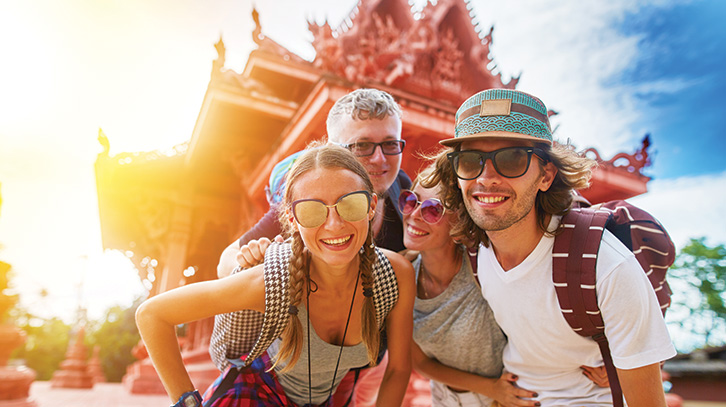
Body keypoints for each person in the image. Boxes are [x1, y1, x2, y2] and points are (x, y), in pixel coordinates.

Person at [427, 88, 676, 406]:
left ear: (546, 175)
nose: (486, 178)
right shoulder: (473, 248)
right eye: (469, 161)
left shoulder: (607, 266)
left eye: (512, 159)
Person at [136, 144, 415, 407]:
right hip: (254, 395)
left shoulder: (393, 277)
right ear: (292, 220)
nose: (334, 224)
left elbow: (399, 368)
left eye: (350, 204)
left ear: (371, 207)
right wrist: (187, 402)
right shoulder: (273, 282)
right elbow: (152, 315)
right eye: (311, 210)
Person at [216, 88, 410, 406]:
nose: (380, 159)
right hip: (294, 359)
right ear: (335, 151)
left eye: (390, 144)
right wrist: (252, 262)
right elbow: (225, 262)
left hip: (364, 355)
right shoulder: (309, 203)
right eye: (362, 145)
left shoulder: (404, 192)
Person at [402, 167, 607, 407]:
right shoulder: (403, 277)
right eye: (409, 201)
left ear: (460, 219)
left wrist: (607, 358)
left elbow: (550, 310)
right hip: (446, 397)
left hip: (508, 397)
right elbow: (419, 363)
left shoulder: (484, 264)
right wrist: (490, 388)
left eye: (432, 209)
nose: (414, 214)